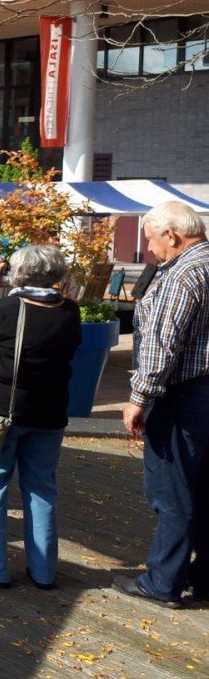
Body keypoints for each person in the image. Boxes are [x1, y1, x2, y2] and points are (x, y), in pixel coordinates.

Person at [0, 245, 81, 590]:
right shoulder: (69, 311)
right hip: (50, 414)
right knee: (41, 490)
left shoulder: (9, 309)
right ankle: (43, 572)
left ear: (18, 275)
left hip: (1, 414)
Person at [113, 201, 209, 608]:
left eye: (151, 240)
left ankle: (162, 582)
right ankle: (203, 577)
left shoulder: (183, 273)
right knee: (203, 490)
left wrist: (139, 397)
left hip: (182, 396)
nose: (150, 250)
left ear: (172, 234)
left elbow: (162, 344)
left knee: (171, 492)